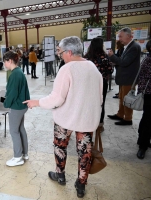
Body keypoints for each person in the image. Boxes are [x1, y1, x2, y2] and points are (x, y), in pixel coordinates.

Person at [23, 36, 103, 198]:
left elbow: (57, 99)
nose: (59, 55)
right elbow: (99, 96)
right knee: (85, 153)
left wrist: (36, 102)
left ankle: (60, 175)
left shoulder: (67, 69)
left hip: (66, 118)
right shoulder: (93, 68)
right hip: (86, 119)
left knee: (60, 147)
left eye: (60, 52)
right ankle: (81, 184)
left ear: (70, 52)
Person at [107, 27, 141, 125]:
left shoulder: (134, 47)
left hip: (129, 78)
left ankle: (128, 118)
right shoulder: (128, 46)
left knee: (127, 99)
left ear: (129, 36)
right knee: (122, 97)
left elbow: (125, 62)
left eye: (121, 36)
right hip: (124, 77)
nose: (119, 39)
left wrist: (112, 57)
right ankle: (120, 114)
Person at [3, 51, 30, 167]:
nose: (4, 64)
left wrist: (5, 104)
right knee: (20, 129)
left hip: (17, 107)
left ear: (9, 61)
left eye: (4, 62)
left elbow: (12, 93)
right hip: (22, 105)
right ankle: (25, 153)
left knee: (14, 131)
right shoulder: (19, 72)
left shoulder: (14, 74)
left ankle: (18, 157)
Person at [84, 37, 113, 132]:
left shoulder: (87, 57)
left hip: (89, 84)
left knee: (89, 103)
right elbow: (110, 70)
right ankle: (99, 125)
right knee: (101, 103)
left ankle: (88, 122)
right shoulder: (104, 57)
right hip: (101, 84)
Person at [136, 40, 151, 159]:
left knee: (147, 117)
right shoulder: (148, 60)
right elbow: (142, 77)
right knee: (148, 119)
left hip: (147, 92)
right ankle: (143, 145)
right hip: (149, 93)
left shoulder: (146, 59)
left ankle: (142, 139)